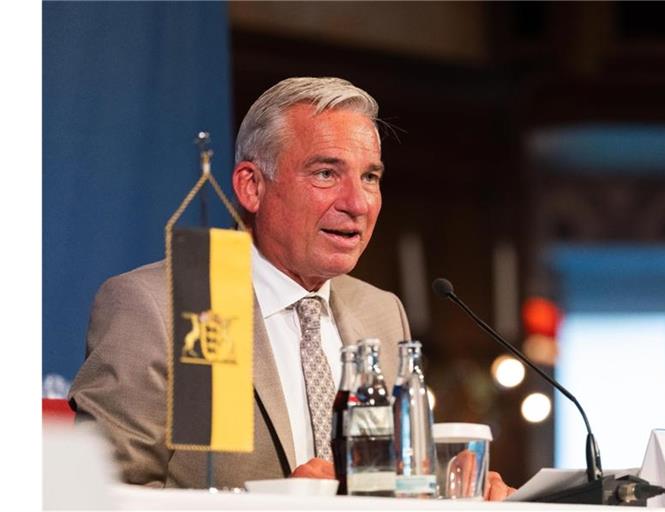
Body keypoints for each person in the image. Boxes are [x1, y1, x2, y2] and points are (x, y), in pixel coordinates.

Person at [68, 77, 514, 499]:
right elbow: (95, 498)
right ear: (251, 186)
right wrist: (281, 502)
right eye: (325, 173)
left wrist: (453, 490)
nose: (357, 203)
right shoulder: (159, 306)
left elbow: (388, 485)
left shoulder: (381, 312)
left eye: (370, 177)